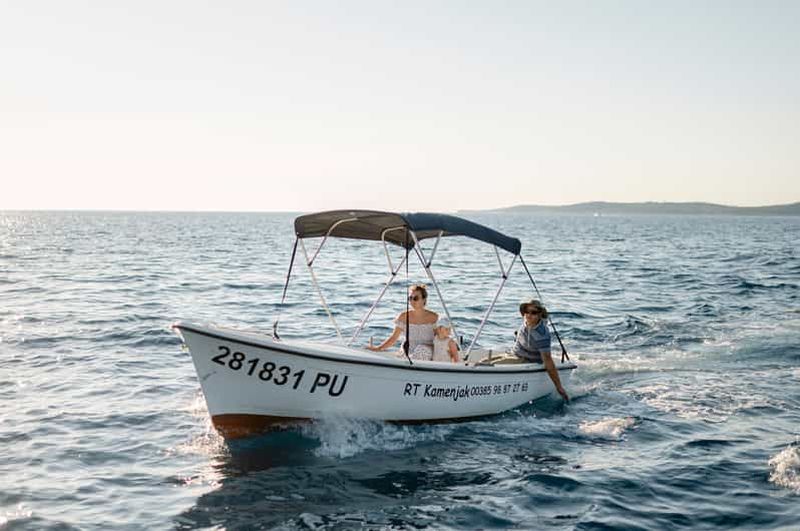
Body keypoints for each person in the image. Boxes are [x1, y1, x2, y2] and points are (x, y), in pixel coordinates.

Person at [512, 299, 569, 401]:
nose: (529, 315)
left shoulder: (542, 335)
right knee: (484, 361)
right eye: (527, 311)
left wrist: (559, 387)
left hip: (526, 361)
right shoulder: (527, 320)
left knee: (484, 364)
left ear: (539, 315)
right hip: (515, 355)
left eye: (533, 312)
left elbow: (547, 360)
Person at [368, 284, 438, 360]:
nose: (412, 301)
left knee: (422, 349)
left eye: (416, 298)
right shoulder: (403, 316)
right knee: (411, 354)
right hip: (407, 352)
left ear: (424, 299)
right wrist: (378, 348)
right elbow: (394, 338)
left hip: (427, 352)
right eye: (410, 298)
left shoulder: (434, 317)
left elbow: (441, 338)